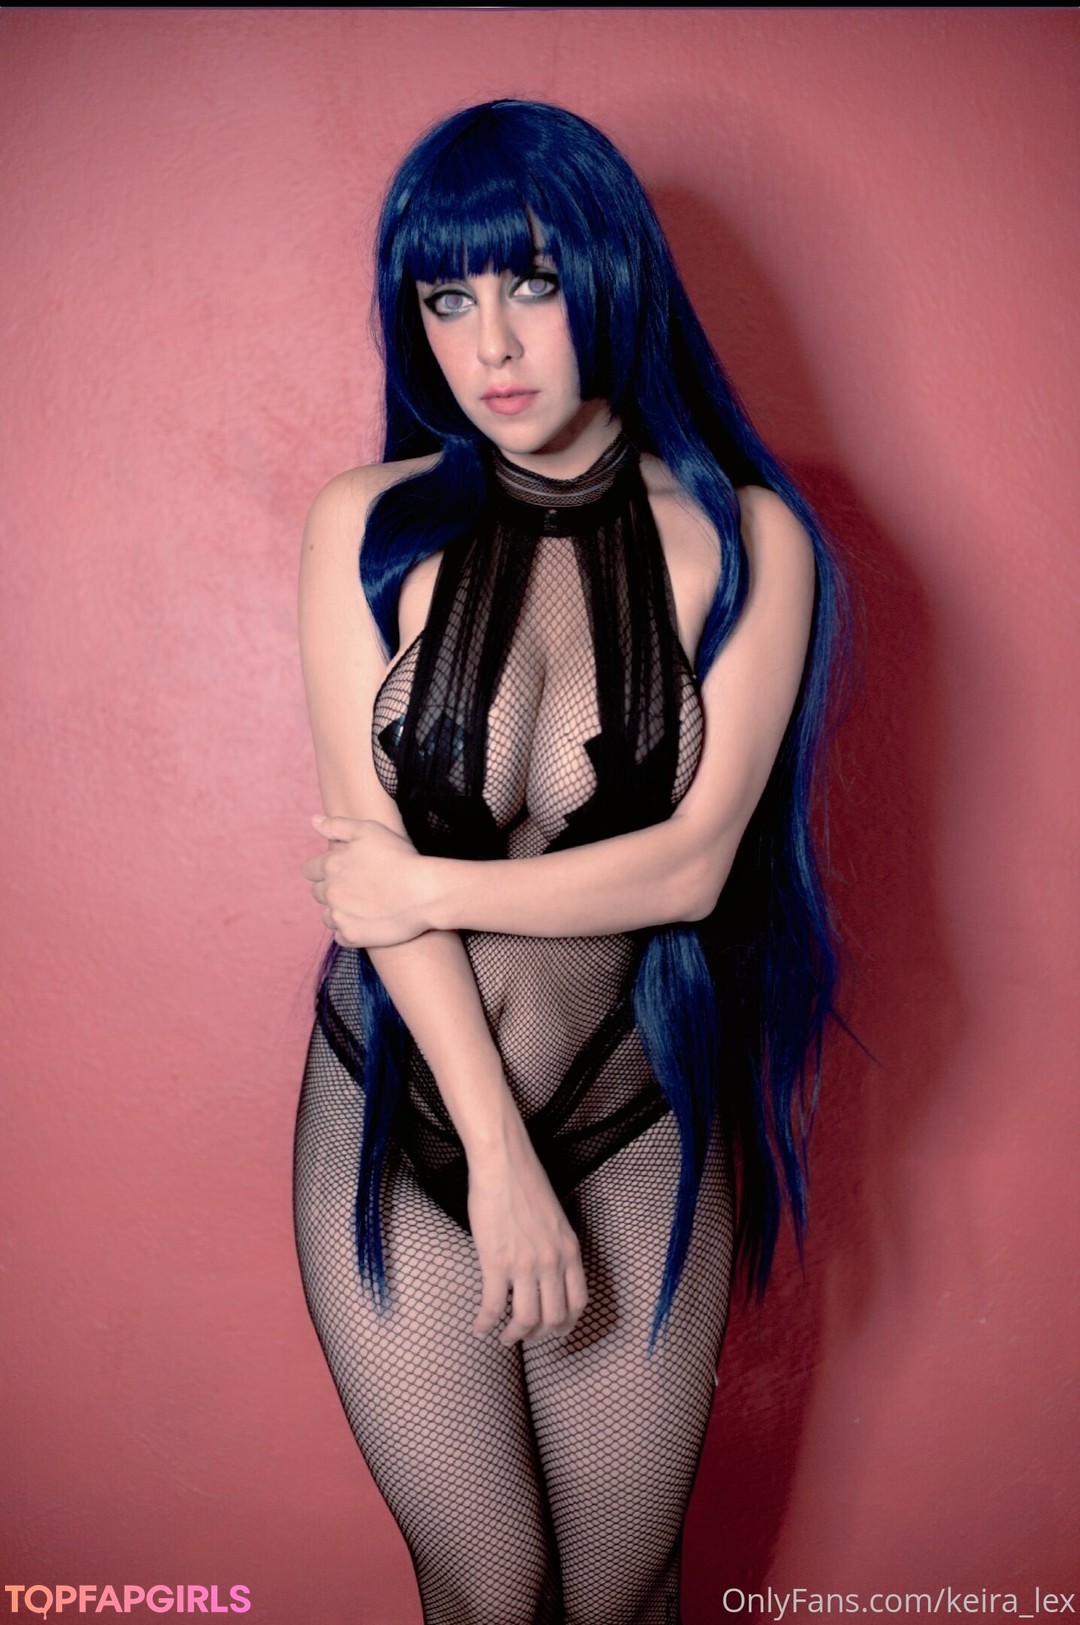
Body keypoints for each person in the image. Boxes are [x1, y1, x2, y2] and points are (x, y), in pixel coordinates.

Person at [294, 99, 846, 1625]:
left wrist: (434, 883)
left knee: (621, 1590)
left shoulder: (749, 543)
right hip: (399, 1095)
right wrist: (498, 1160)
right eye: (447, 297)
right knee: (486, 1588)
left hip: (636, 1102)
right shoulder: (366, 532)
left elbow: (689, 869)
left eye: (532, 282)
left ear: (612, 274)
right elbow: (367, 890)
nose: (492, 344)